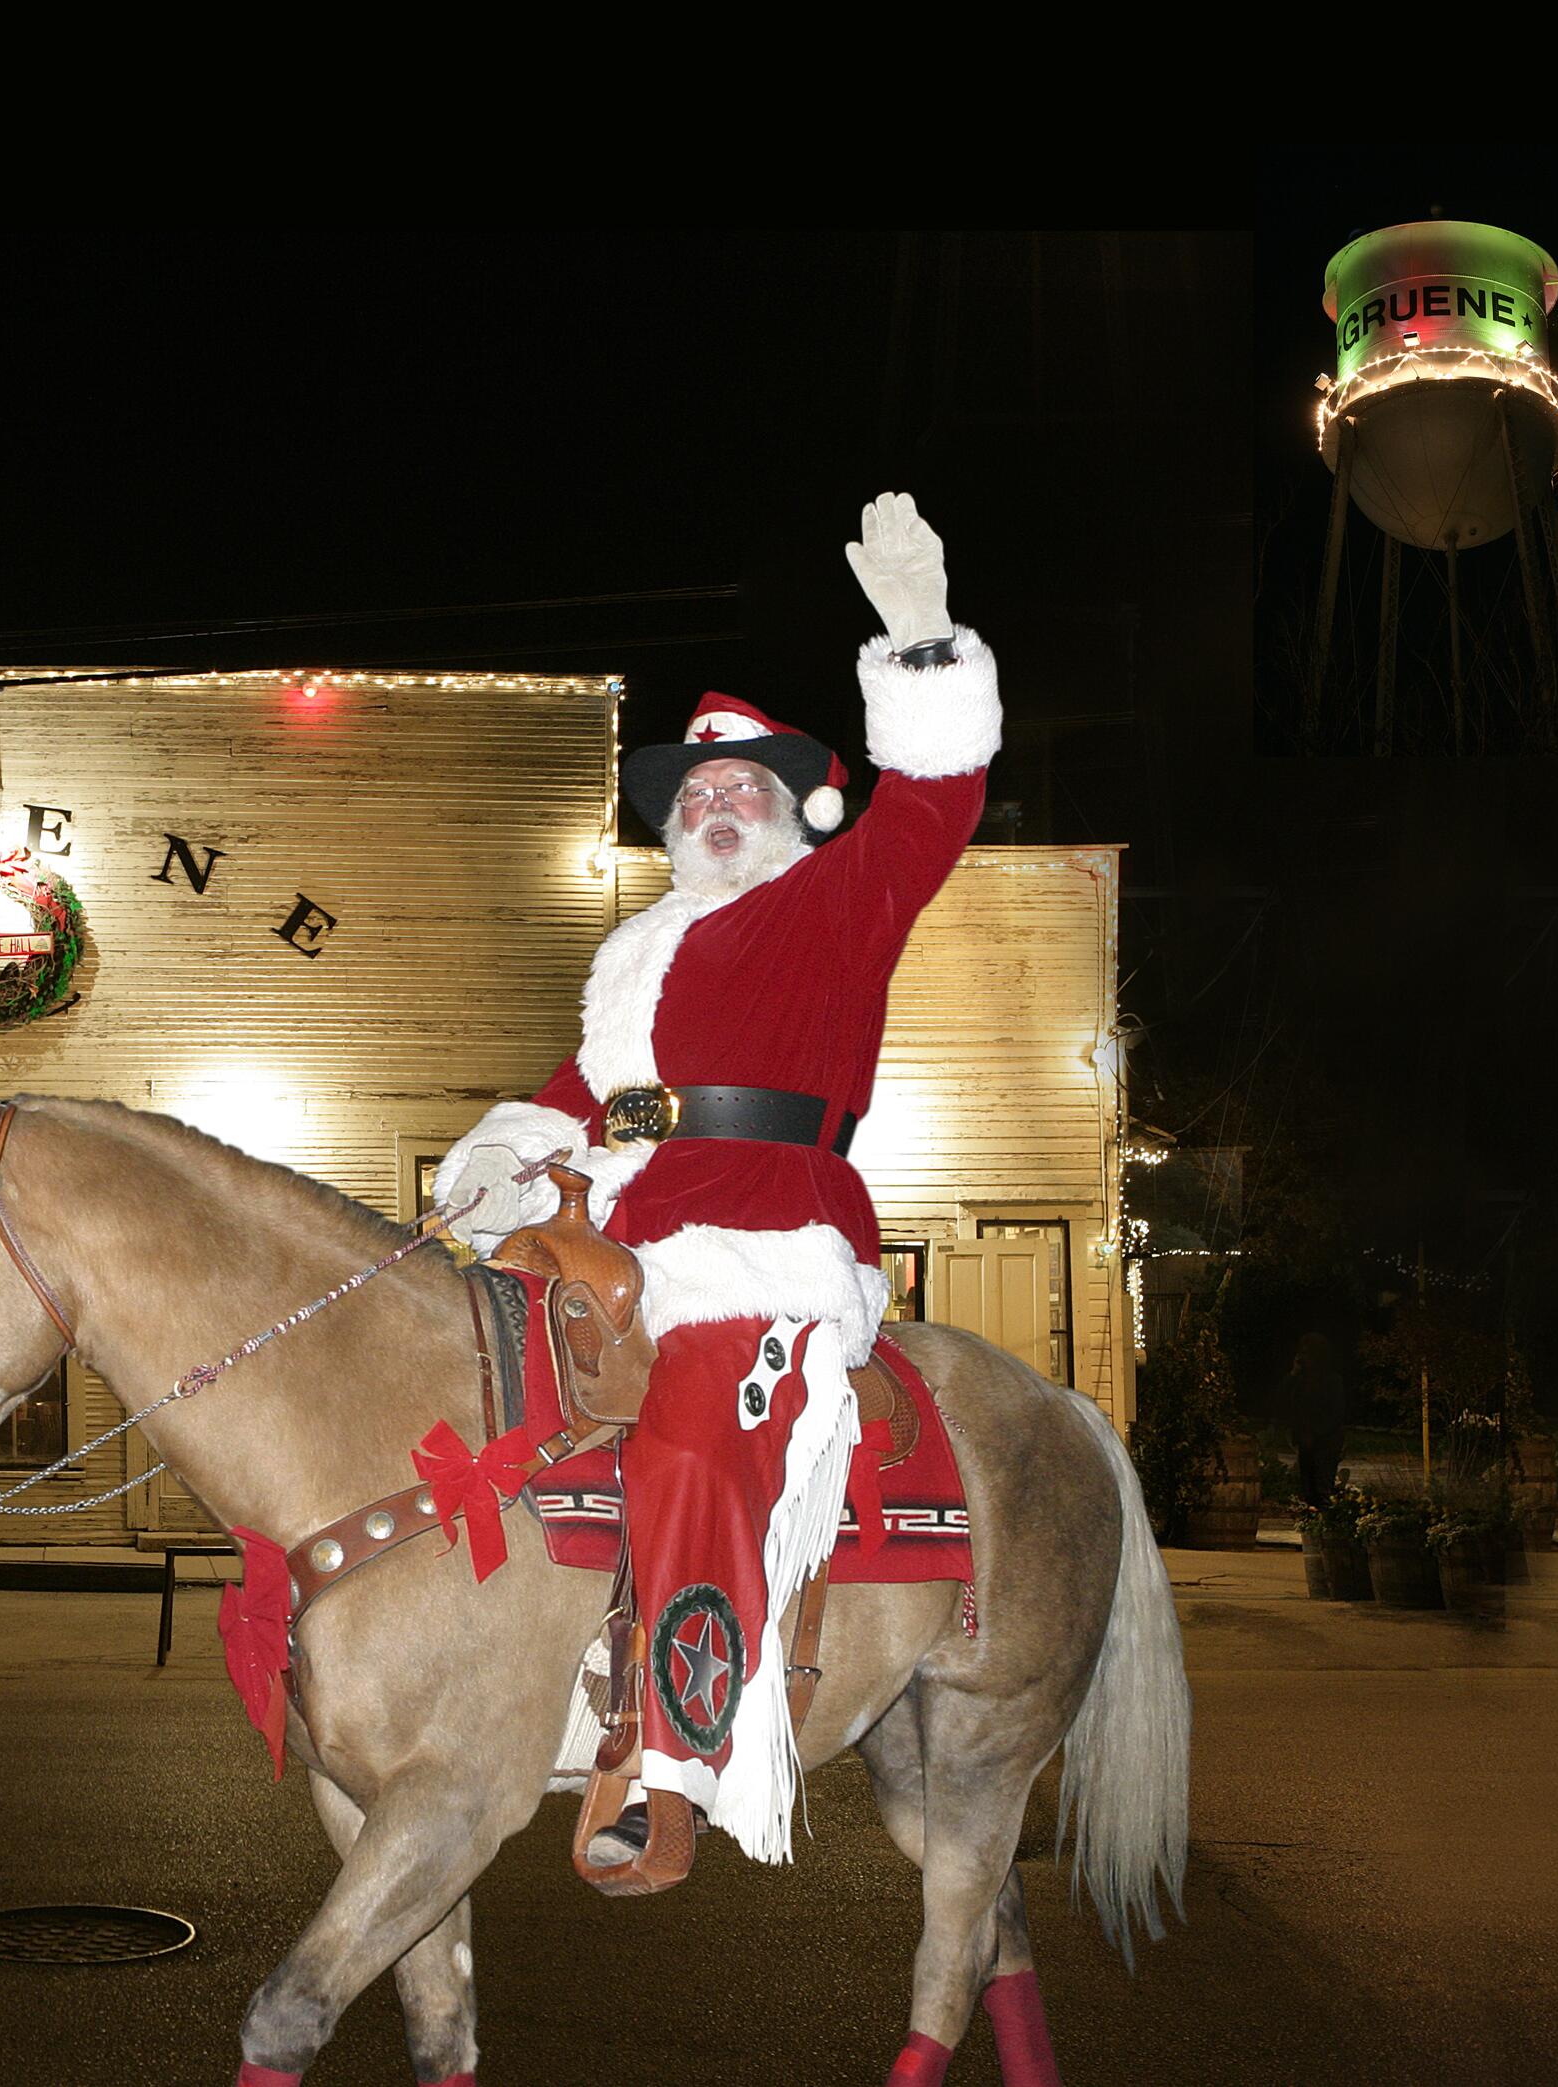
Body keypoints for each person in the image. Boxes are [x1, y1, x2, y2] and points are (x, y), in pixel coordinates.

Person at [435, 491, 999, 1870]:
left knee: (689, 1435)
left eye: (744, 788)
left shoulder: (830, 906)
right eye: (695, 797)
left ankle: (668, 1765)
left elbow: (931, 808)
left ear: (800, 808)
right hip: (622, 1232)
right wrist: (498, 1169)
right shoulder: (635, 958)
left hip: (765, 1243)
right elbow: (582, 1101)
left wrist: (922, 638)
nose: (716, 807)